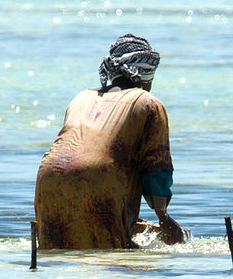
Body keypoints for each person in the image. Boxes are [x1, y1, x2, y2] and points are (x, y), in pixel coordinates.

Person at [34, 35, 186, 249]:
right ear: (145, 76)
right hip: (101, 179)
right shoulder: (147, 102)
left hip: (49, 179)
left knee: (60, 253)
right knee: (113, 261)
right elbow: (156, 166)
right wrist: (164, 217)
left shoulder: (80, 98)